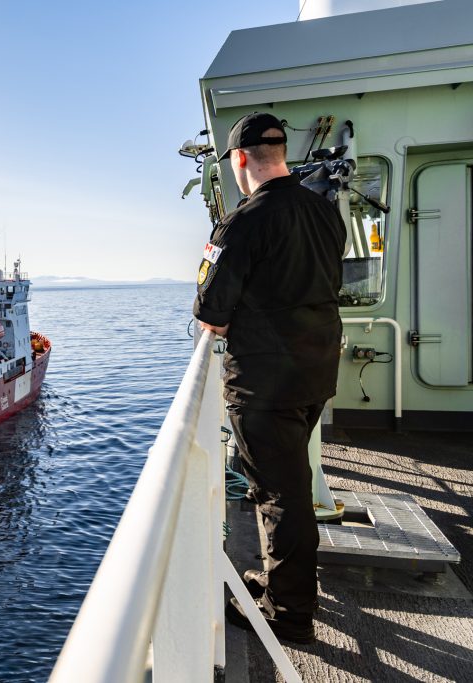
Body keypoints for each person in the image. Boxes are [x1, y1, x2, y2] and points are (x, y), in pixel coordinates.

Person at [194, 112, 346, 644]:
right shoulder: (324, 212)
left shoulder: (243, 223)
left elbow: (210, 312)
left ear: (240, 159)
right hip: (316, 373)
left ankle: (291, 616)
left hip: (265, 386)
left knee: (281, 497)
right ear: (280, 153)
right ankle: (284, 587)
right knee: (291, 487)